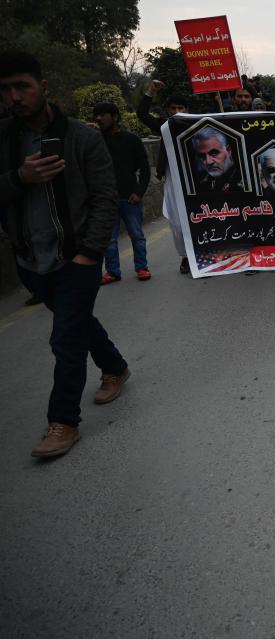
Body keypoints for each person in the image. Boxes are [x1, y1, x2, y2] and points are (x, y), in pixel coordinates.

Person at [0, 51, 130, 458]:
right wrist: (19, 177)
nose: (14, 97)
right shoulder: (3, 140)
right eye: (5, 90)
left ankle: (63, 422)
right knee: (77, 324)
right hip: (30, 262)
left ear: (43, 87)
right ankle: (115, 367)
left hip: (76, 258)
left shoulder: (83, 138)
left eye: (22, 86)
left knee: (65, 339)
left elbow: (105, 197)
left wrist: (90, 253)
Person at [136, 79, 191, 274]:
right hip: (172, 178)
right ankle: (185, 257)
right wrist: (151, 91)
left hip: (194, 179)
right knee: (176, 220)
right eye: (173, 108)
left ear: (187, 109)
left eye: (181, 108)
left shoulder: (195, 126)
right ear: (168, 110)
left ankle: (203, 255)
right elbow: (142, 114)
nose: (177, 112)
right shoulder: (164, 127)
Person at [93, 101, 151, 284]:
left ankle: (142, 267)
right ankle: (112, 271)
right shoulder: (95, 141)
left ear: (115, 117)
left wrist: (139, 192)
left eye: (103, 115)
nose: (98, 118)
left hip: (130, 198)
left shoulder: (131, 139)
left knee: (136, 234)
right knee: (109, 239)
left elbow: (144, 168)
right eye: (96, 115)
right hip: (106, 199)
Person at [191, 126, 243, 193]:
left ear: (228, 150)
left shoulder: (247, 179)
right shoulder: (200, 182)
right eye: (202, 156)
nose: (208, 162)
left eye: (214, 153)